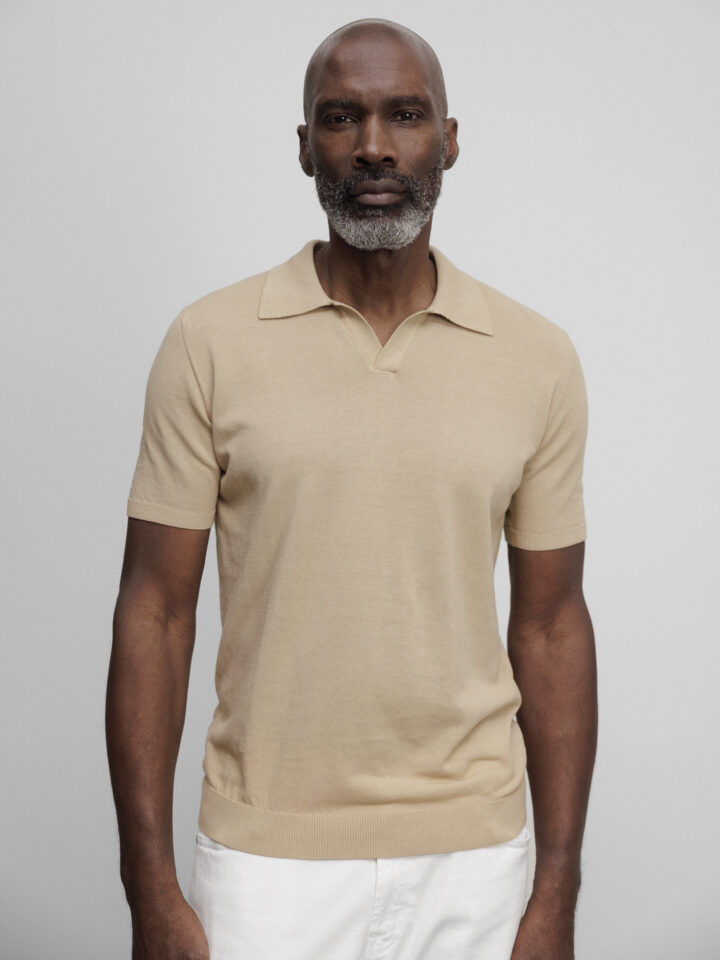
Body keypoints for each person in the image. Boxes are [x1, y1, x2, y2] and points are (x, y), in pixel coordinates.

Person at [106, 17, 597, 960]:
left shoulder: (537, 358)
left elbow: (551, 626)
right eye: (341, 118)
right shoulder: (210, 342)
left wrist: (557, 893)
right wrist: (149, 890)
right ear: (305, 147)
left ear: (449, 139)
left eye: (405, 115)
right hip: (264, 866)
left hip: (476, 862)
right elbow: (154, 613)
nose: (374, 146)